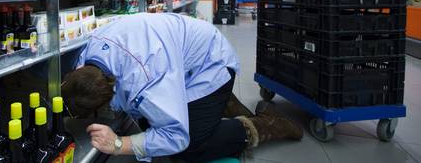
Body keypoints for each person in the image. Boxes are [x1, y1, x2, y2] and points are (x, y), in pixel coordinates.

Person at [62, 13, 302, 163]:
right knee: (149, 126)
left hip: (211, 63)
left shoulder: (144, 81)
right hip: (185, 58)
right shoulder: (88, 53)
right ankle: (220, 103)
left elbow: (177, 137)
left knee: (187, 148)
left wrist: (118, 145)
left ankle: (267, 124)